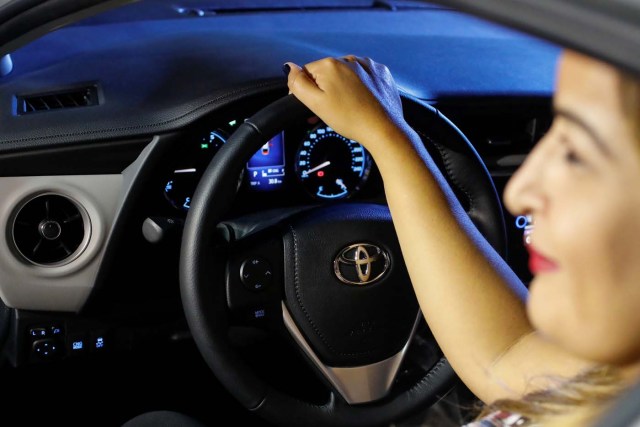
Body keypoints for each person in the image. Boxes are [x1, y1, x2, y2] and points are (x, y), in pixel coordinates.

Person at [283, 49, 640, 426]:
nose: (518, 192)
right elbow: (505, 353)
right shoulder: (613, 386)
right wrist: (386, 136)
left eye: (575, 154)